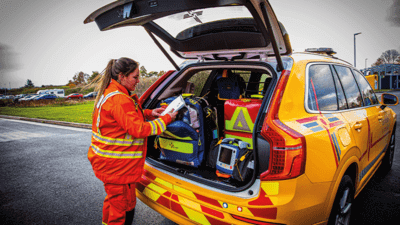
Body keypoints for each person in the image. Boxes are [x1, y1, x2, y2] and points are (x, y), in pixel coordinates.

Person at [88, 57, 178, 225]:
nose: (138, 81)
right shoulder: (119, 99)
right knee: (119, 213)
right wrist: (166, 119)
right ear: (122, 76)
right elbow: (139, 130)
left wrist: (150, 113)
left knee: (119, 206)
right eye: (135, 77)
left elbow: (126, 119)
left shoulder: (115, 93)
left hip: (115, 167)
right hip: (117, 170)